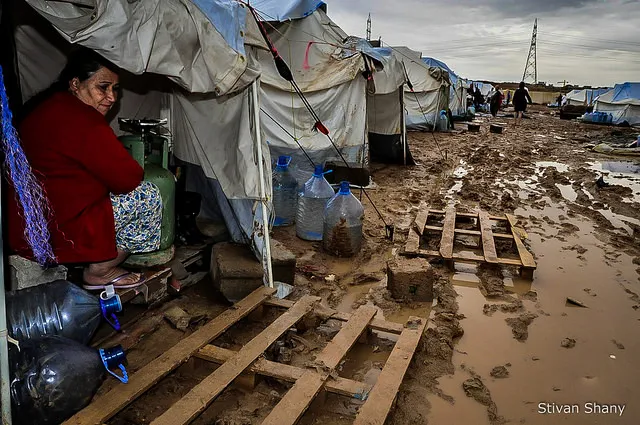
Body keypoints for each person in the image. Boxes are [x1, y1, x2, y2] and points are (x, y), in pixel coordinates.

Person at [8, 48, 163, 290]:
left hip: (24, 223)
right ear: (75, 84)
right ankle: (101, 271)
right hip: (55, 228)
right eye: (103, 87)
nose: (111, 97)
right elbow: (129, 178)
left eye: (115, 89)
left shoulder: (48, 106)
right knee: (147, 196)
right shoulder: (82, 120)